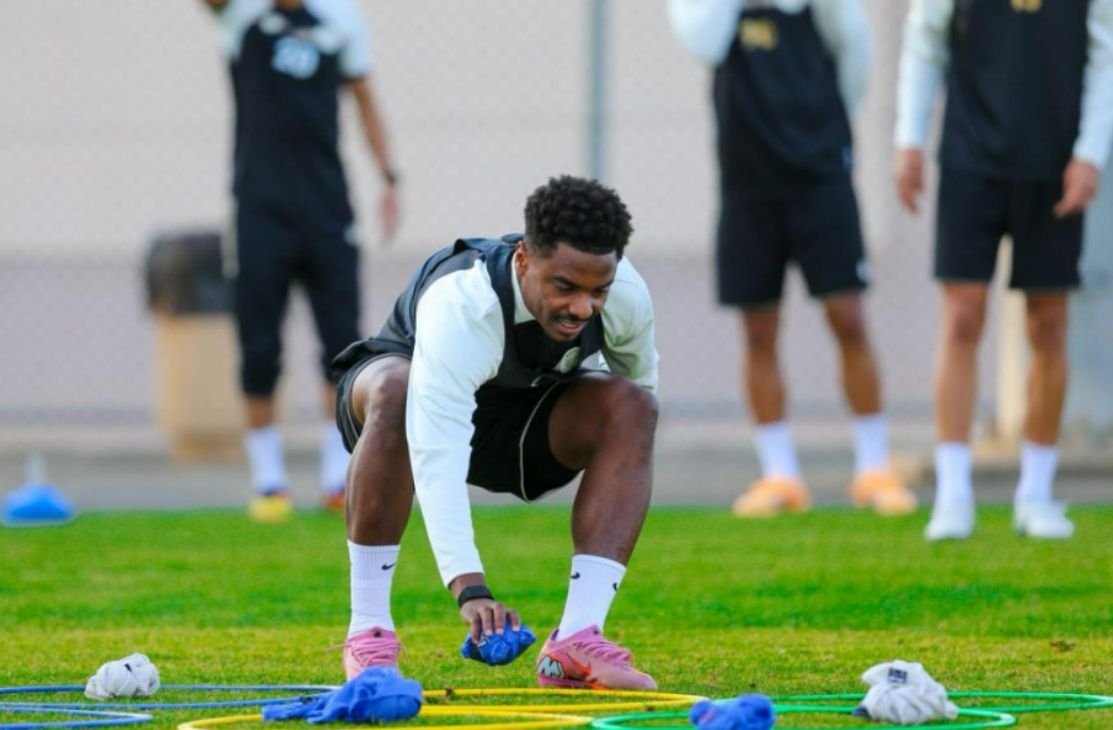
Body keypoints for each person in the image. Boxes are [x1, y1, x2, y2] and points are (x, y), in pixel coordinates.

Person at [329, 175, 660, 689]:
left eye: (598, 291)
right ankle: (369, 634)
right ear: (523, 260)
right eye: (565, 287)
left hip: (520, 427)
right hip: (405, 420)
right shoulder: (462, 305)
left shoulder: (627, 296)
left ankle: (576, 642)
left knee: (633, 407)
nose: (583, 308)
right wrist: (471, 589)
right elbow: (436, 453)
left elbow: (636, 412)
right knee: (396, 387)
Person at [668, 0, 917, 517]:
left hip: (821, 179)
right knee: (758, 330)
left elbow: (855, 52)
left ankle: (874, 468)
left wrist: (833, 129)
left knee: (848, 318)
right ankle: (780, 475)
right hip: (747, 188)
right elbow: (703, 43)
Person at [894, 0, 1113, 540]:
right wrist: (909, 140)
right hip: (969, 161)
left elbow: (1106, 55)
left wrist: (1091, 153)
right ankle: (953, 495)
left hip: (1054, 164)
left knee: (1048, 324)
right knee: (962, 318)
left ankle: (1036, 494)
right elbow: (924, 42)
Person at [200, 0, 399, 522]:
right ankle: (268, 481)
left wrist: (389, 177)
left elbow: (365, 96)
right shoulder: (241, 16)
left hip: (327, 210)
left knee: (341, 344)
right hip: (259, 212)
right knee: (259, 346)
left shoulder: (340, 20)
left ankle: (337, 477)